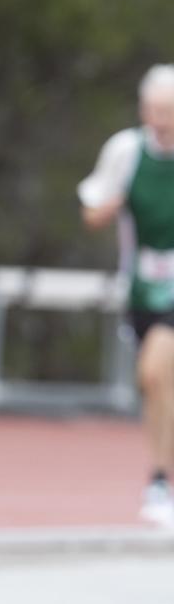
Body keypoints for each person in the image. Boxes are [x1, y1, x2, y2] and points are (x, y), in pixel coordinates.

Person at [79, 64, 174, 528]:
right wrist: (108, 207)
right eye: (153, 110)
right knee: (155, 383)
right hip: (141, 285)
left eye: (168, 112)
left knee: (157, 372)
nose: (159, 119)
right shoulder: (127, 150)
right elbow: (92, 210)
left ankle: (159, 479)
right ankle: (162, 478)